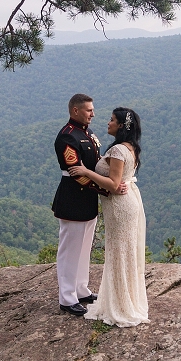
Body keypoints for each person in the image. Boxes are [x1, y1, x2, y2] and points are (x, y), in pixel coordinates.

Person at [67, 107, 149, 327]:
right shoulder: (130, 148)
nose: (107, 123)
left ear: (121, 126)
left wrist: (86, 171)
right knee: (124, 254)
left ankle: (121, 305)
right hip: (125, 204)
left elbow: (113, 185)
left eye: (112, 120)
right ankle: (125, 301)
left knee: (118, 253)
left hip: (120, 207)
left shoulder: (119, 151)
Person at [51, 94, 121, 316]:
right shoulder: (67, 137)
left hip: (87, 200)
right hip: (73, 198)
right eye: (89, 110)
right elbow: (76, 174)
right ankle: (67, 297)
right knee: (70, 251)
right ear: (75, 111)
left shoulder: (87, 133)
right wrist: (106, 189)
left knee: (84, 249)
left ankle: (81, 289)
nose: (93, 114)